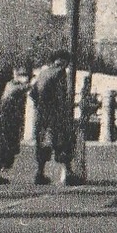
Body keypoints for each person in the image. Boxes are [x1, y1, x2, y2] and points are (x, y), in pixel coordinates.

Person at [28, 50, 79, 186]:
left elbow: (32, 93)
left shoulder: (43, 72)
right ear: (63, 61)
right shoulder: (60, 73)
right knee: (62, 142)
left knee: (43, 143)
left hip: (40, 114)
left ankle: (39, 173)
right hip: (54, 114)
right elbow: (61, 95)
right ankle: (67, 173)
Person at [0, 66, 31, 185]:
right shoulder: (12, 86)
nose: (25, 77)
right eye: (22, 74)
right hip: (5, 121)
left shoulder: (14, 86)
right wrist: (30, 84)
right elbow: (19, 89)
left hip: (11, 121)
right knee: (4, 148)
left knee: (9, 149)